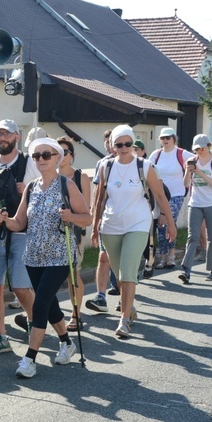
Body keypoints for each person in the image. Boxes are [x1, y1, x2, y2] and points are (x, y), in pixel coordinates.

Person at [0, 138, 91, 377]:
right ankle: (67, 343)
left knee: (40, 303)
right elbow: (19, 223)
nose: (41, 160)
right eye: (36, 156)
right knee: (50, 305)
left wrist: (70, 216)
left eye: (46, 155)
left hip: (60, 255)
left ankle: (30, 359)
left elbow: (87, 218)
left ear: (57, 158)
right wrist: (4, 220)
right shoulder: (31, 187)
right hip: (34, 256)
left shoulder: (66, 185)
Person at [92, 125, 175, 337]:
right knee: (120, 275)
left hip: (137, 223)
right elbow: (100, 199)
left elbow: (160, 195)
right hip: (111, 225)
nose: (123, 148)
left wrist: (171, 223)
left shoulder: (144, 166)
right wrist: (94, 227)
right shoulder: (105, 167)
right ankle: (130, 307)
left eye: (128, 144)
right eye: (119, 144)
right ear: (112, 145)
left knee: (128, 272)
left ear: (133, 144)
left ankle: (124, 319)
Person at [0, 119, 38, 355]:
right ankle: (2, 337)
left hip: (22, 232)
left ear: (16, 137)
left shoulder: (28, 163)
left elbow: (41, 194)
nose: (2, 138)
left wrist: (27, 191)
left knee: (21, 288)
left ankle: (35, 322)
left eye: (7, 134)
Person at [178, 134, 212, 282]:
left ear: (208, 146)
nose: (199, 151)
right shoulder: (192, 161)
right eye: (196, 149)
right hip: (196, 203)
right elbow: (185, 183)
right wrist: (188, 170)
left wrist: (200, 172)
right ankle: (186, 270)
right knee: (193, 236)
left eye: (202, 148)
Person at [56, 136, 90, 331]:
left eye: (65, 152)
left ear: (71, 156)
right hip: (53, 232)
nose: (61, 156)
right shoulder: (48, 176)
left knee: (73, 274)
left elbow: (85, 209)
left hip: (75, 230)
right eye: (57, 152)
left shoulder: (80, 177)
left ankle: (76, 315)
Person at [148, 127, 194, 269]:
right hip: (160, 196)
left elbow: (197, 159)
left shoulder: (181, 153)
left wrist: (189, 170)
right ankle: (163, 257)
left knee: (169, 221)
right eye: (163, 138)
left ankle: (171, 255)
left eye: (168, 138)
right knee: (161, 227)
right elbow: (147, 169)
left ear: (174, 138)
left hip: (177, 194)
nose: (165, 140)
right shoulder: (156, 155)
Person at [85, 129, 116, 313]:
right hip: (107, 218)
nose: (112, 146)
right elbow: (98, 194)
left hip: (129, 222)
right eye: (110, 142)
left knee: (119, 263)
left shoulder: (138, 164)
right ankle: (101, 297)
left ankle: (127, 298)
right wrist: (95, 220)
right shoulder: (102, 164)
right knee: (103, 258)